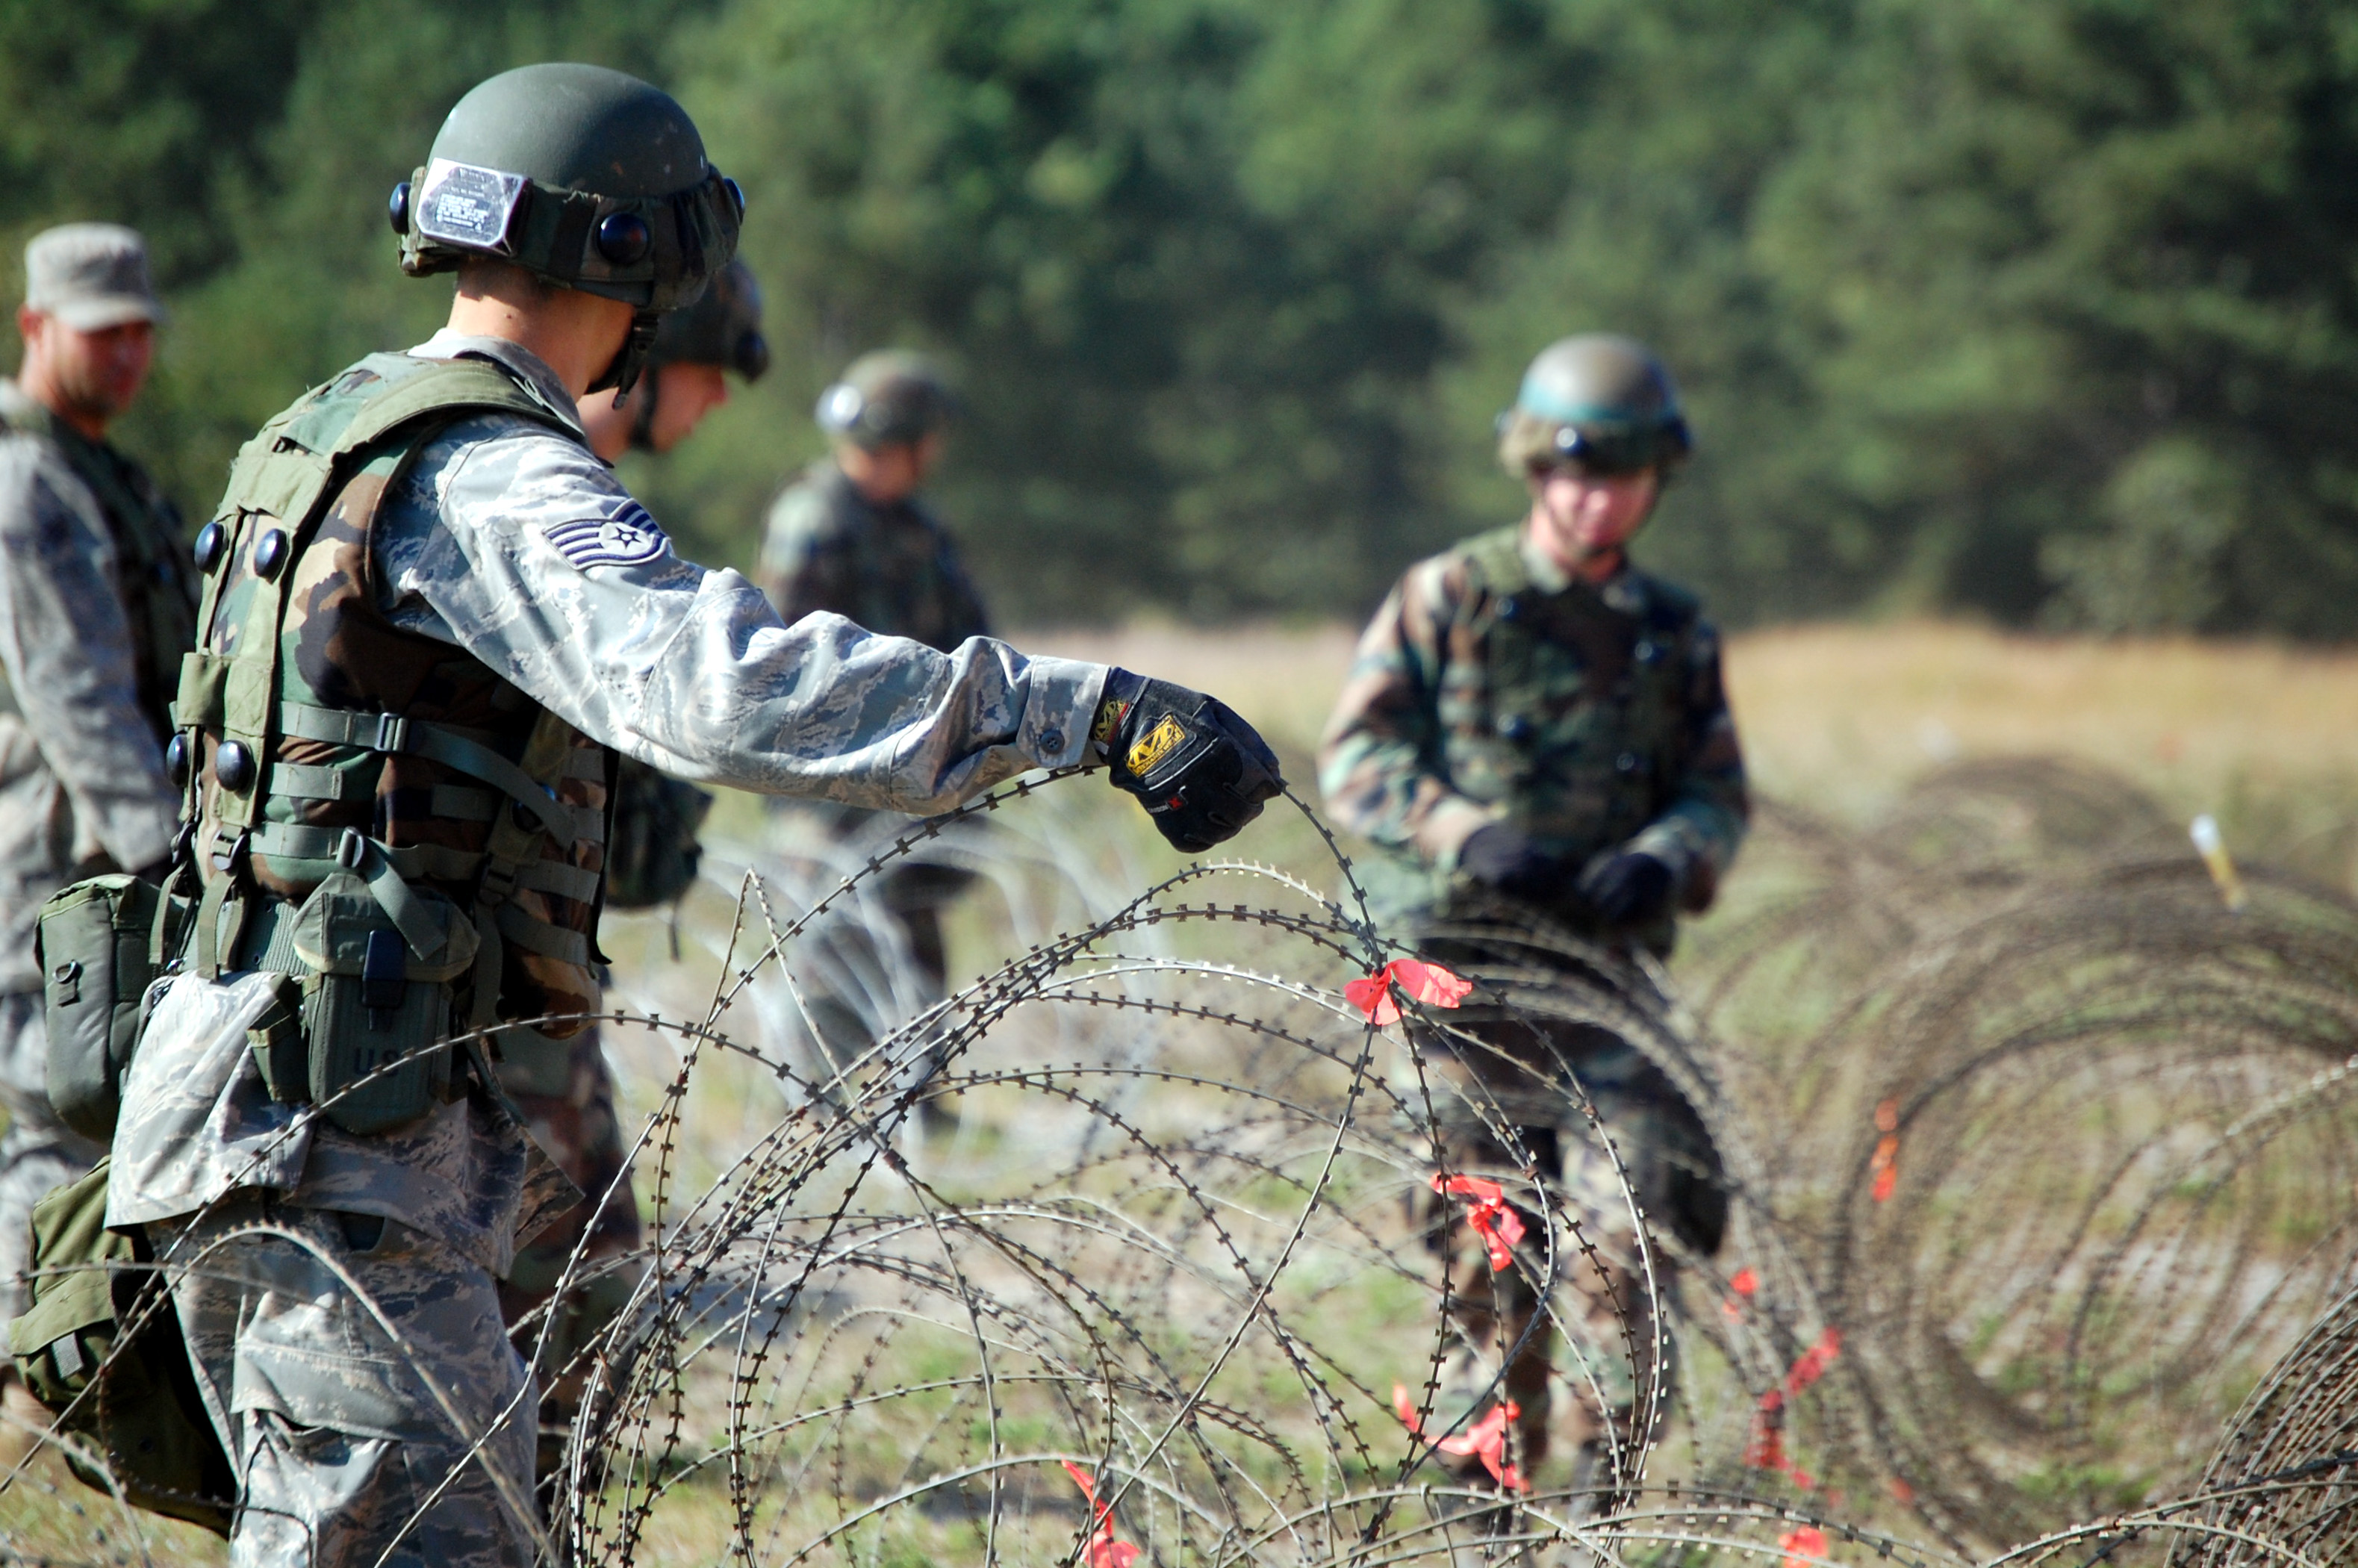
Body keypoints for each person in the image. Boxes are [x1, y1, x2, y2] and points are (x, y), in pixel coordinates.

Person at [95, 63, 1277, 1567]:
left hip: (290, 1101)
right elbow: (713, 687)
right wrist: (1077, 711)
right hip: (337, 1140)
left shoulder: (335, 427)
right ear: (638, 260)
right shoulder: (496, 474)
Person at [1317, 335, 1745, 1510]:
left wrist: (1667, 856)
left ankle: (1601, 1495)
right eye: (1572, 469)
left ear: (1658, 479)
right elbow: (1355, 754)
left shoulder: (1672, 628)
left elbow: (1714, 788)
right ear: (1530, 467)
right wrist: (1463, 830)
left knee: (1638, 1236)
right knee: (1483, 1257)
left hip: (1602, 983)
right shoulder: (1452, 596)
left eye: (1619, 472)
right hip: (1463, 988)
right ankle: (1482, 1510)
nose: (1593, 495)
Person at [508, 256, 769, 1499]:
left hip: (539, 984)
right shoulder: (536, 498)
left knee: (583, 1290)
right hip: (473, 1009)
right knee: (551, 1297)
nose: (715, 411)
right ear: (649, 356)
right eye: (708, 378)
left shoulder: (582, 498)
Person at [0, 224, 193, 1465]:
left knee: (98, 1119)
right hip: (62, 862)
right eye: (98, 330)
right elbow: (76, 695)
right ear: (35, 330)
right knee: (49, 1116)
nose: (124, 354)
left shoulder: (97, 471)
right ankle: (24, 1386)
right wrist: (166, 854)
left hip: (107, 860)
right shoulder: (27, 483)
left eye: (139, 332)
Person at [757, 352, 990, 1133]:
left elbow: (968, 637)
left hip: (914, 776)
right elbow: (785, 663)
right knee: (832, 945)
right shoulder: (816, 523)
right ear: (906, 439)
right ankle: (822, 1121)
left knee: (913, 934)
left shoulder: (916, 526)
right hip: (833, 785)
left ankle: (919, 1104)